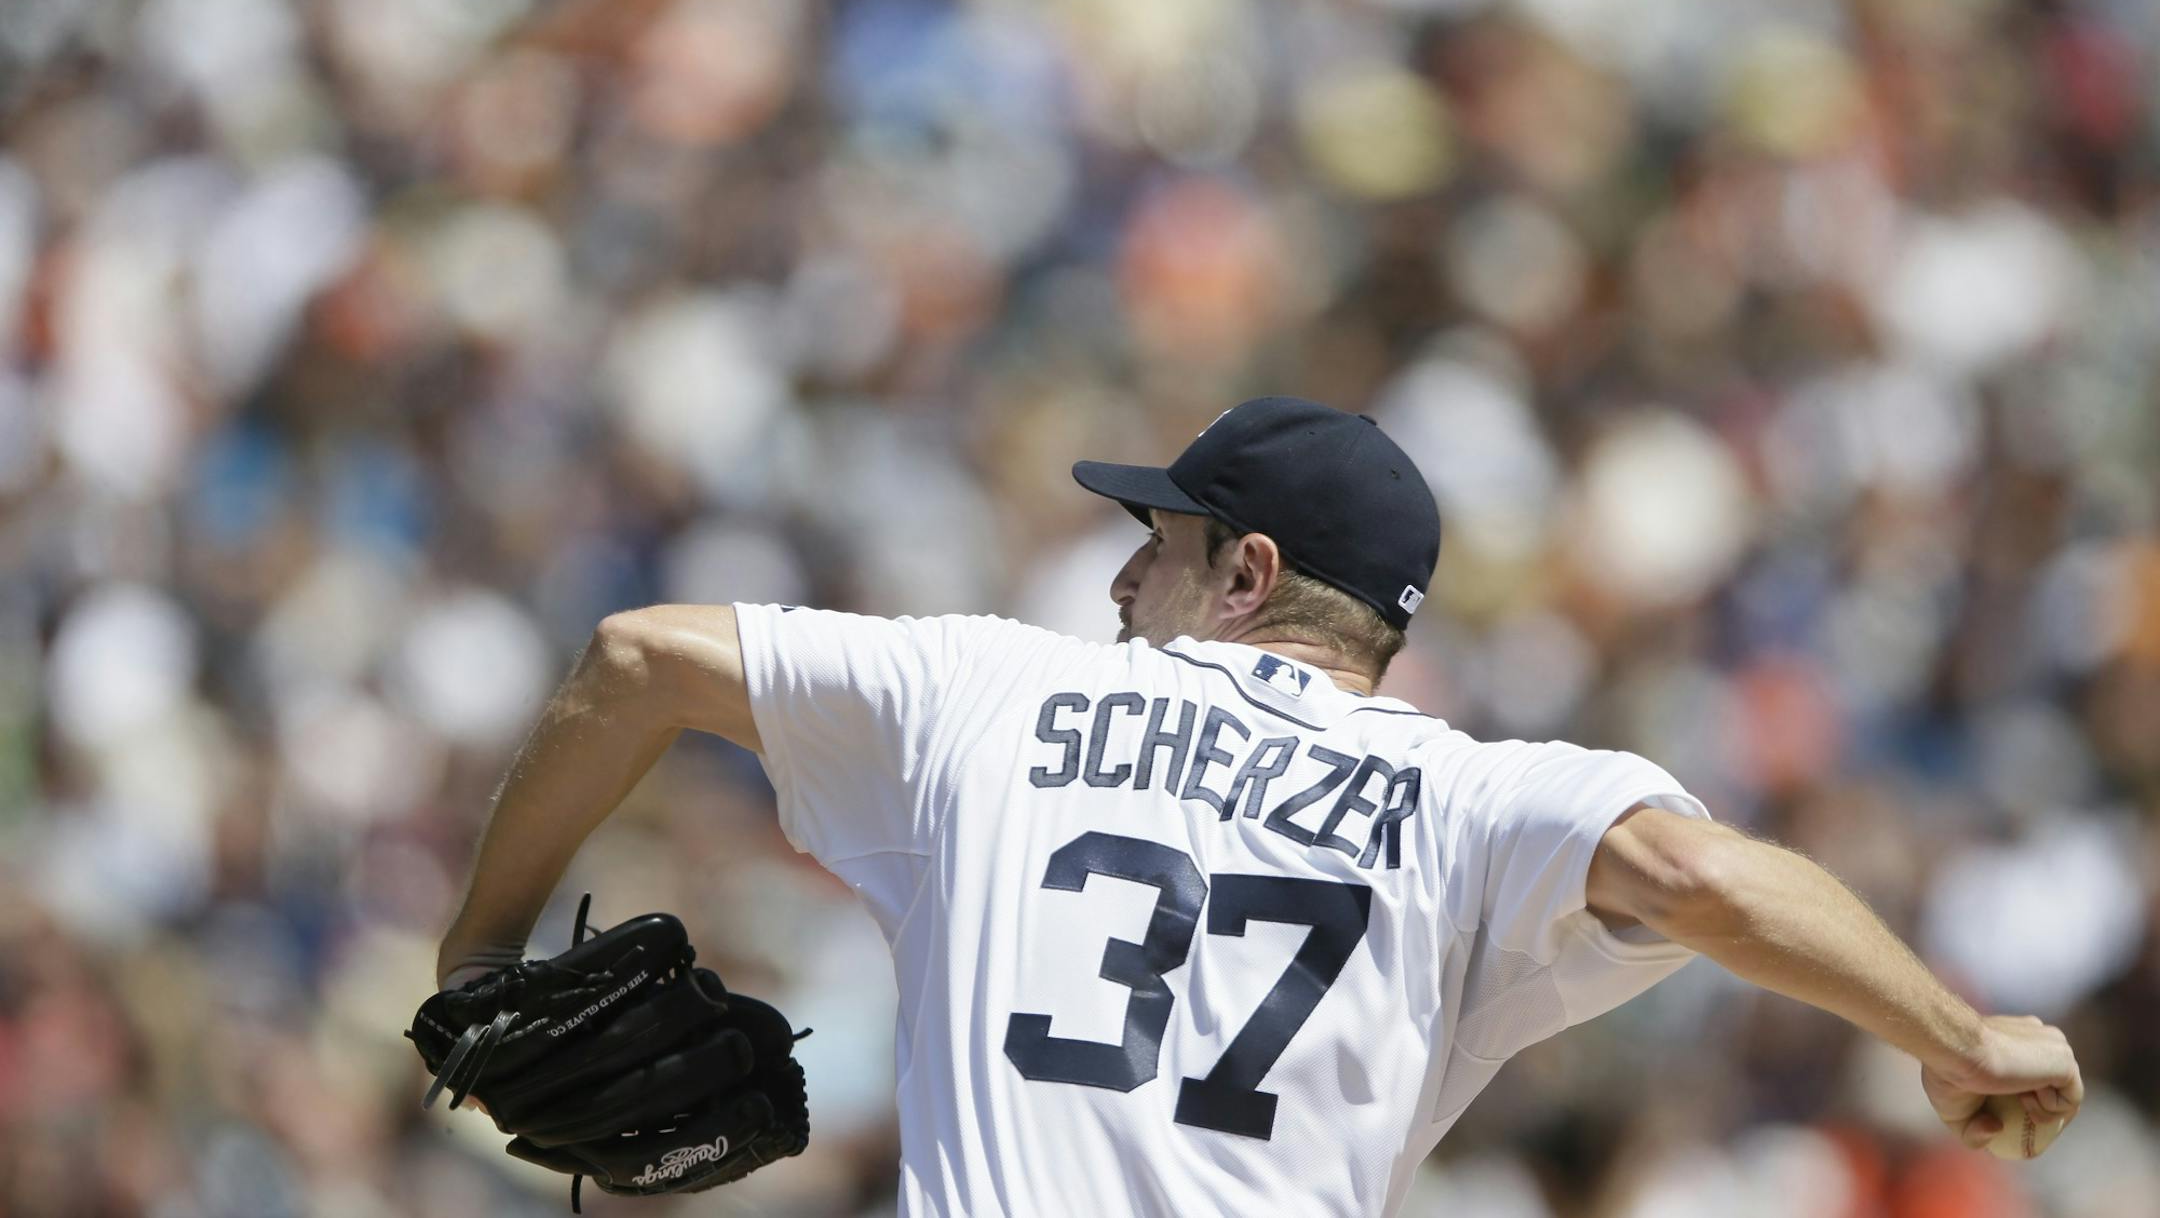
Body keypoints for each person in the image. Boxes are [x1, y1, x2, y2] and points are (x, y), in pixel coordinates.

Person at [435, 396, 2083, 1217]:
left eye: (1156, 541)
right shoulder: (1473, 792)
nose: (1120, 568)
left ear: (1249, 572)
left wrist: (475, 956)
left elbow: (634, 654)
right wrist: (1947, 1028)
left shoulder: (996, 688)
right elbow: (1695, 871)